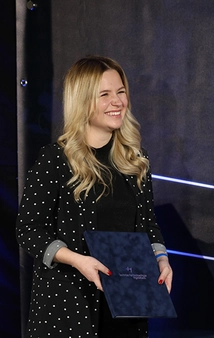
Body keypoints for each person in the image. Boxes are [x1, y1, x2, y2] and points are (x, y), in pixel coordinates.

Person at [16, 55, 173, 338]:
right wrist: (77, 260)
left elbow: (149, 226)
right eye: (105, 95)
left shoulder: (136, 161)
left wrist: (161, 260)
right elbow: (28, 230)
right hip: (70, 308)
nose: (117, 102)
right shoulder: (55, 159)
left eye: (121, 92)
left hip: (127, 311)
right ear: (83, 101)